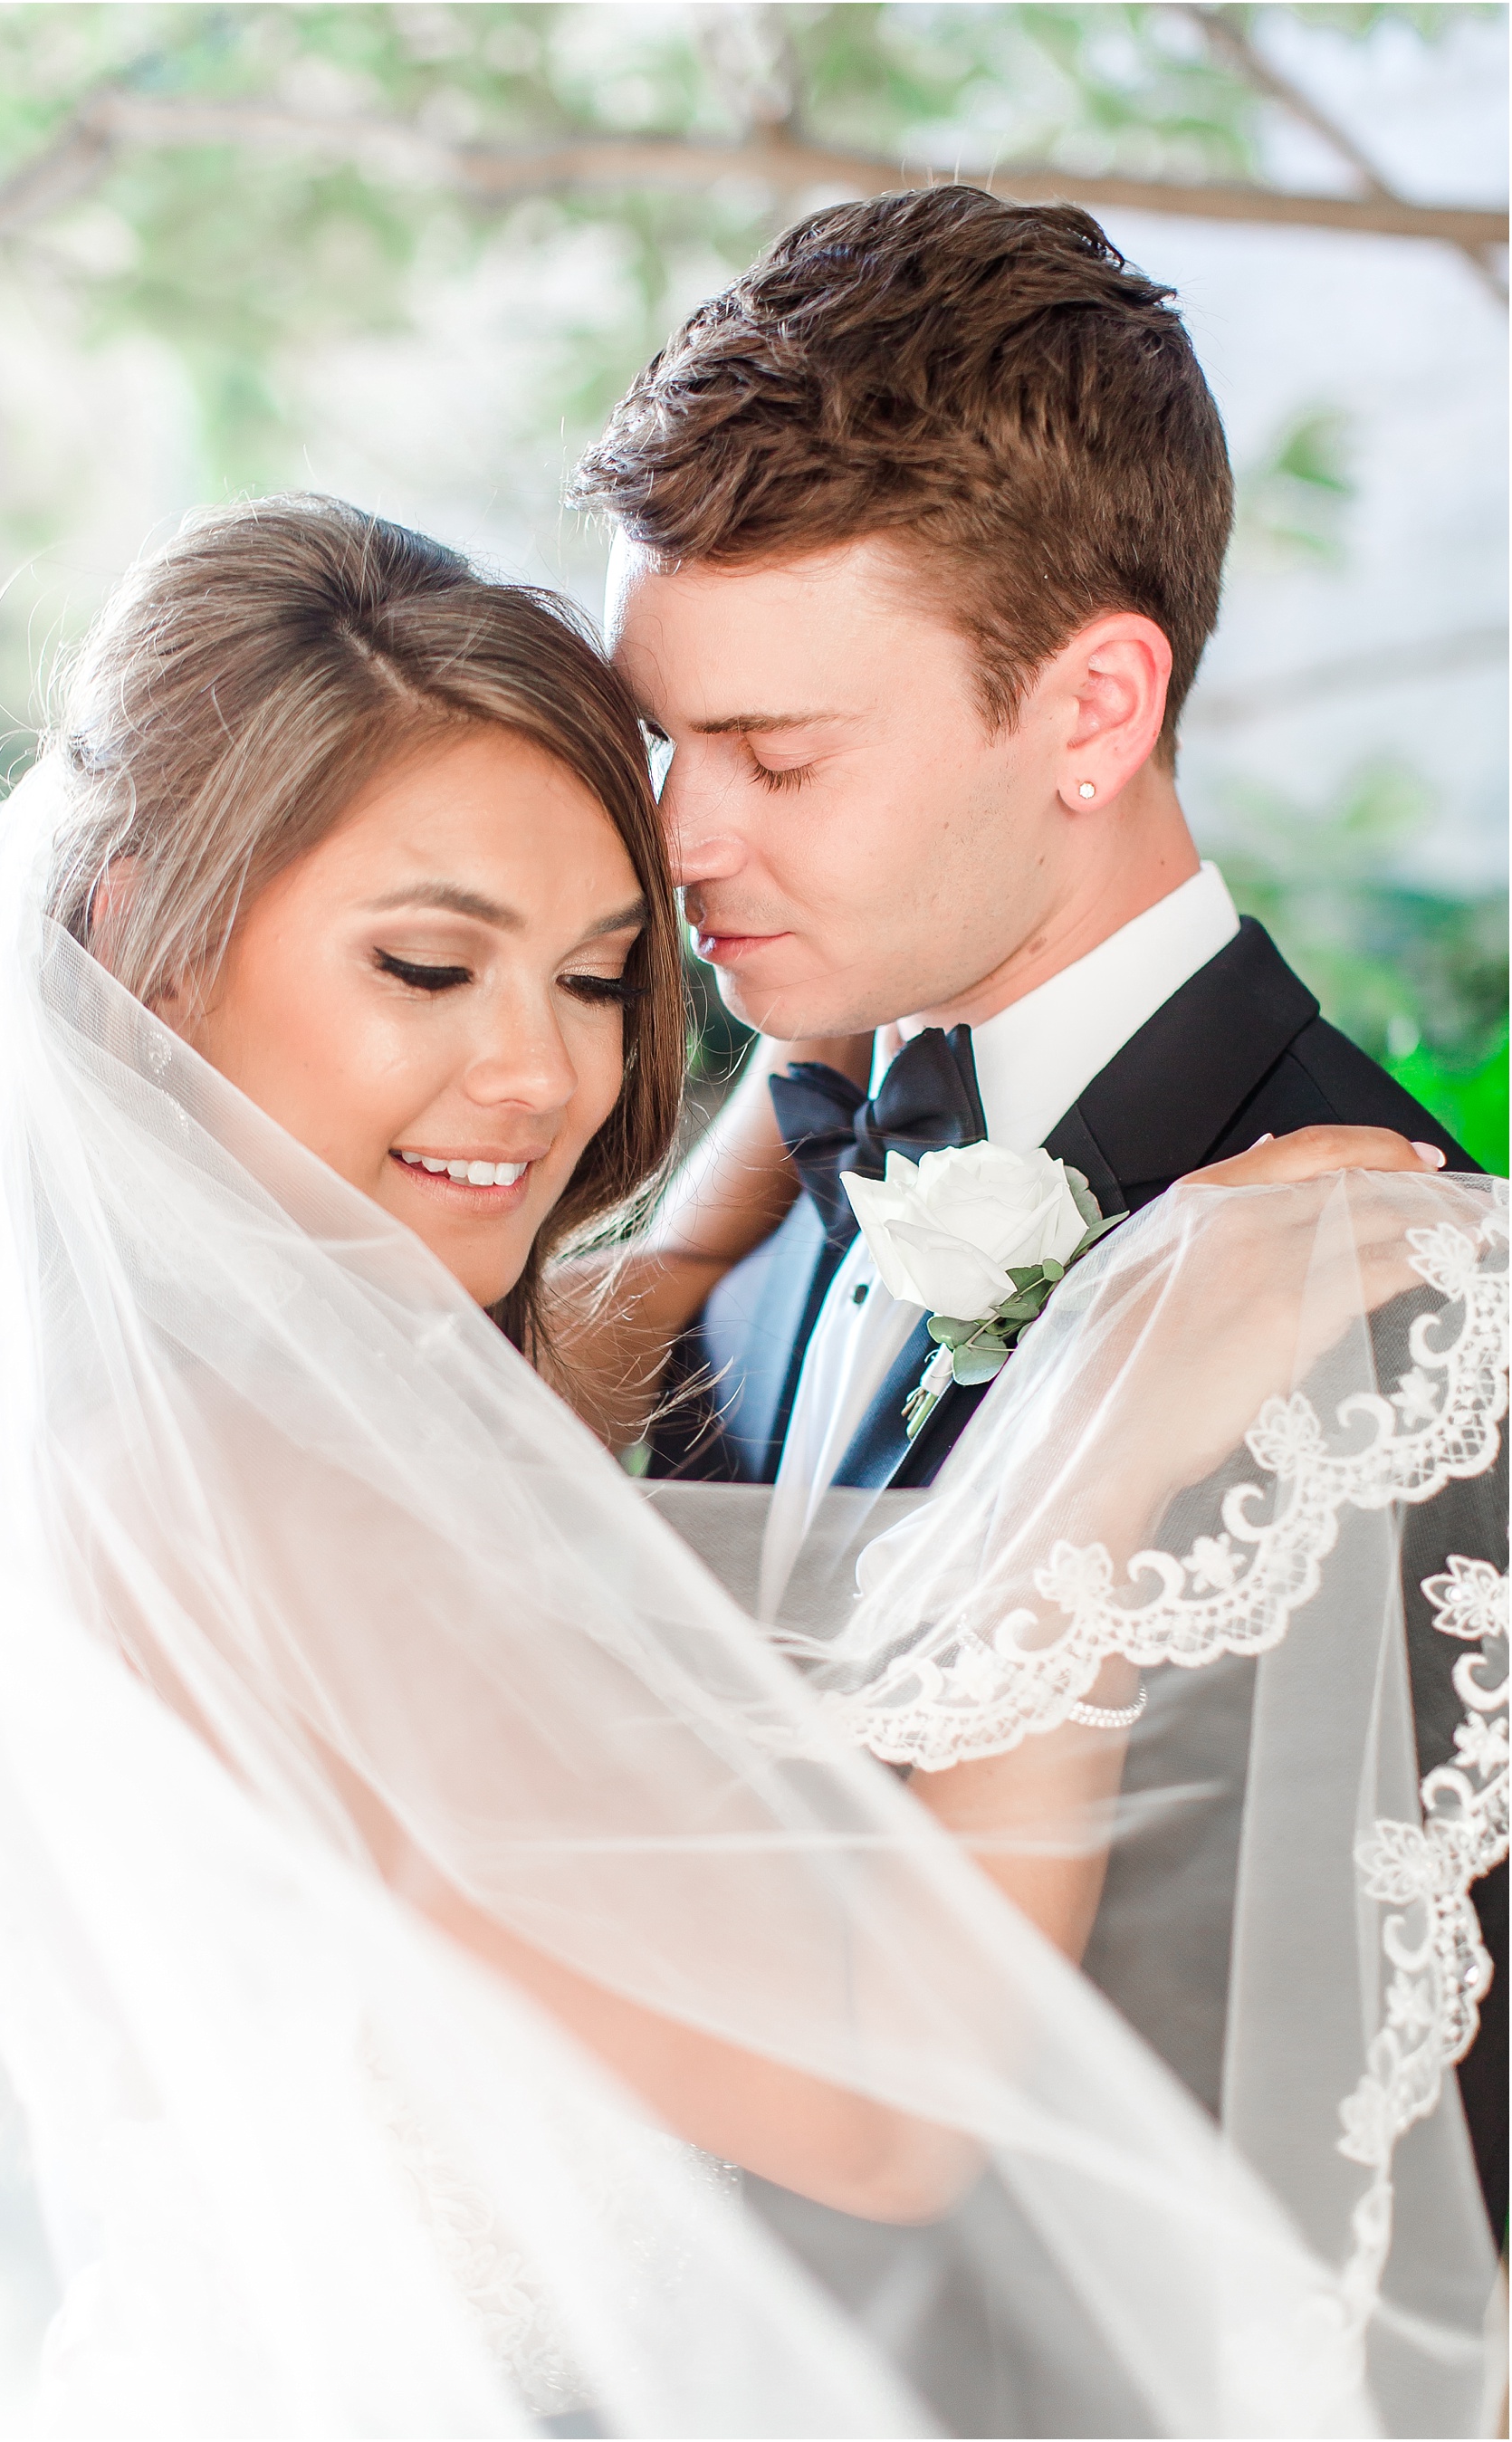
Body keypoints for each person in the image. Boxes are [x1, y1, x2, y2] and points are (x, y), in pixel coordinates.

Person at [0, 493, 1502, 2438]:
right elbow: (890, 2097)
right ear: (143, 931)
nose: (542, 1078)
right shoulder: (257, 1496)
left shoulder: (71, 1406)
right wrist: (1114, 1428)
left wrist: (733, 1179)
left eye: (590, 976)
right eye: (425, 966)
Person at [569, 184, 1507, 2237]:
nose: (676, 836)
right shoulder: (790, 1160)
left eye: (773, 754)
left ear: (1092, 710)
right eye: (656, 734)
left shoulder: (1416, 1315)